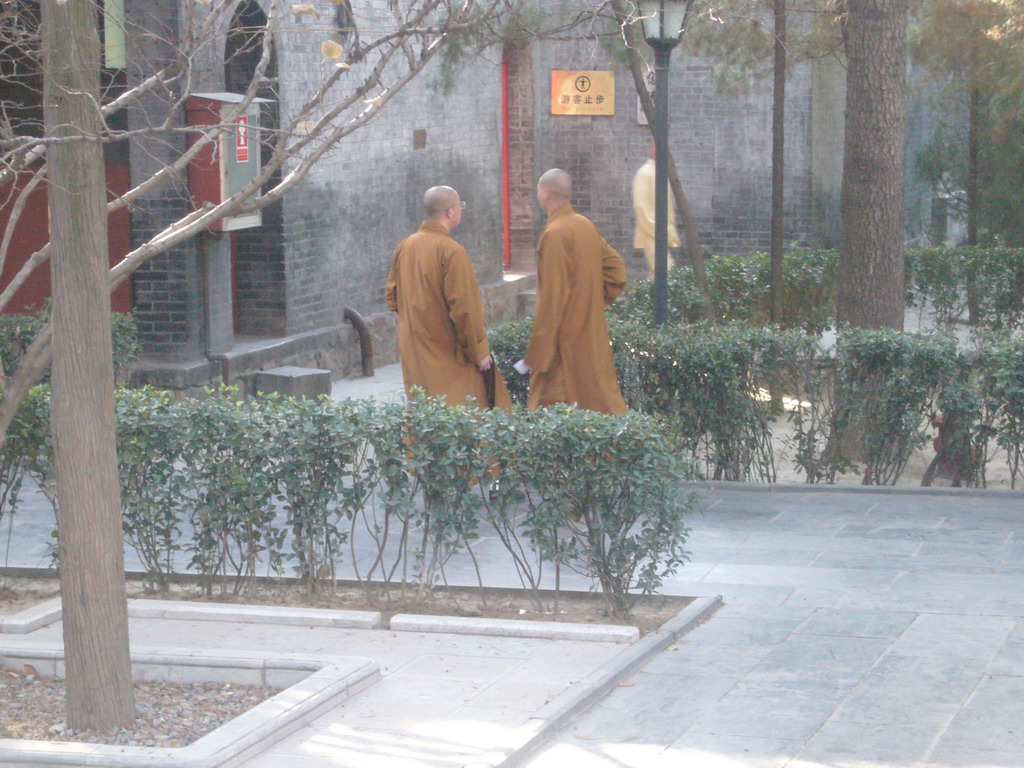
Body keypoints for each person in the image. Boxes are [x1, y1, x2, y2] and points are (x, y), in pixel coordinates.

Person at [385, 185, 510, 408]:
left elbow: (392, 298)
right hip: (448, 351)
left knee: (424, 411)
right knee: (463, 411)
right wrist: (478, 351)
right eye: (460, 205)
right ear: (450, 212)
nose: (462, 210)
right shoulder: (451, 251)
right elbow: (464, 308)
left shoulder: (405, 246)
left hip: (415, 348)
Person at [521, 169, 628, 415]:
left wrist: (537, 357)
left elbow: (552, 301)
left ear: (545, 194)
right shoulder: (585, 225)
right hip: (593, 336)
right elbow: (617, 272)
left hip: (564, 345)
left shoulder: (554, 235)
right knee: (600, 404)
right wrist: (589, 301)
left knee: (557, 410)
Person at [632, 142, 680, 280]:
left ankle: (647, 300)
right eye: (655, 147)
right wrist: (658, 230)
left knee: (657, 276)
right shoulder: (644, 173)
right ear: (650, 149)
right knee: (666, 272)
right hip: (651, 232)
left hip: (661, 231)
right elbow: (641, 207)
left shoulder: (660, 171)